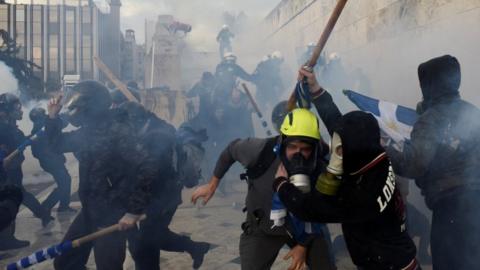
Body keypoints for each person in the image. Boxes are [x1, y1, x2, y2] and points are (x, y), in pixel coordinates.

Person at [273, 68, 419, 270]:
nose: (336, 153)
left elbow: (309, 209)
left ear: (354, 150)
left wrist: (281, 185)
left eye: (340, 149)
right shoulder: (377, 159)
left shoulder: (363, 194)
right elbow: (339, 125)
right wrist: (316, 90)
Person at [191, 108, 336, 270]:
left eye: (305, 149)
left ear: (315, 149)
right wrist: (212, 184)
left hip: (305, 228)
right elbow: (231, 150)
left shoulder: (320, 168)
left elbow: (320, 211)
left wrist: (303, 245)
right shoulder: (260, 150)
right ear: (283, 142)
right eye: (292, 147)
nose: (298, 155)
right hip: (263, 228)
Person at [46, 81, 156, 270]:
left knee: (108, 266)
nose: (74, 112)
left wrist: (133, 211)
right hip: (90, 210)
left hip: (112, 213)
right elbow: (58, 145)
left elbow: (147, 167)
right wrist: (52, 117)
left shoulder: (119, 130)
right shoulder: (88, 131)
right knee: (65, 262)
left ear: (92, 107)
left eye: (78, 107)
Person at [385, 55, 480, 270]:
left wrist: (385, 149)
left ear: (429, 85)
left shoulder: (432, 118)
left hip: (450, 211)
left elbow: (415, 164)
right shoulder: (473, 112)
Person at [118, 102, 210, 270]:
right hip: (152, 195)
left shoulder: (157, 137)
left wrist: (133, 210)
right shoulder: (149, 126)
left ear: (135, 122)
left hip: (162, 198)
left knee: (146, 245)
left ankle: (194, 248)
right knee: (151, 239)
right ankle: (194, 248)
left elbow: (149, 175)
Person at [0, 93, 52, 250]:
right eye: (16, 107)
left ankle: (43, 214)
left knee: (18, 195)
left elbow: (19, 140)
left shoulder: (8, 122)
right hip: (6, 171)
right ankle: (6, 239)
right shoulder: (2, 125)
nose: (20, 110)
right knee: (11, 198)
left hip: (12, 168)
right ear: (7, 108)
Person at [29, 107, 74, 213]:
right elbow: (59, 125)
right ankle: (47, 206)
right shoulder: (42, 128)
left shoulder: (38, 127)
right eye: (44, 114)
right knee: (64, 183)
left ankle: (64, 206)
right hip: (51, 161)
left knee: (65, 181)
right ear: (40, 117)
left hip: (51, 160)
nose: (46, 115)